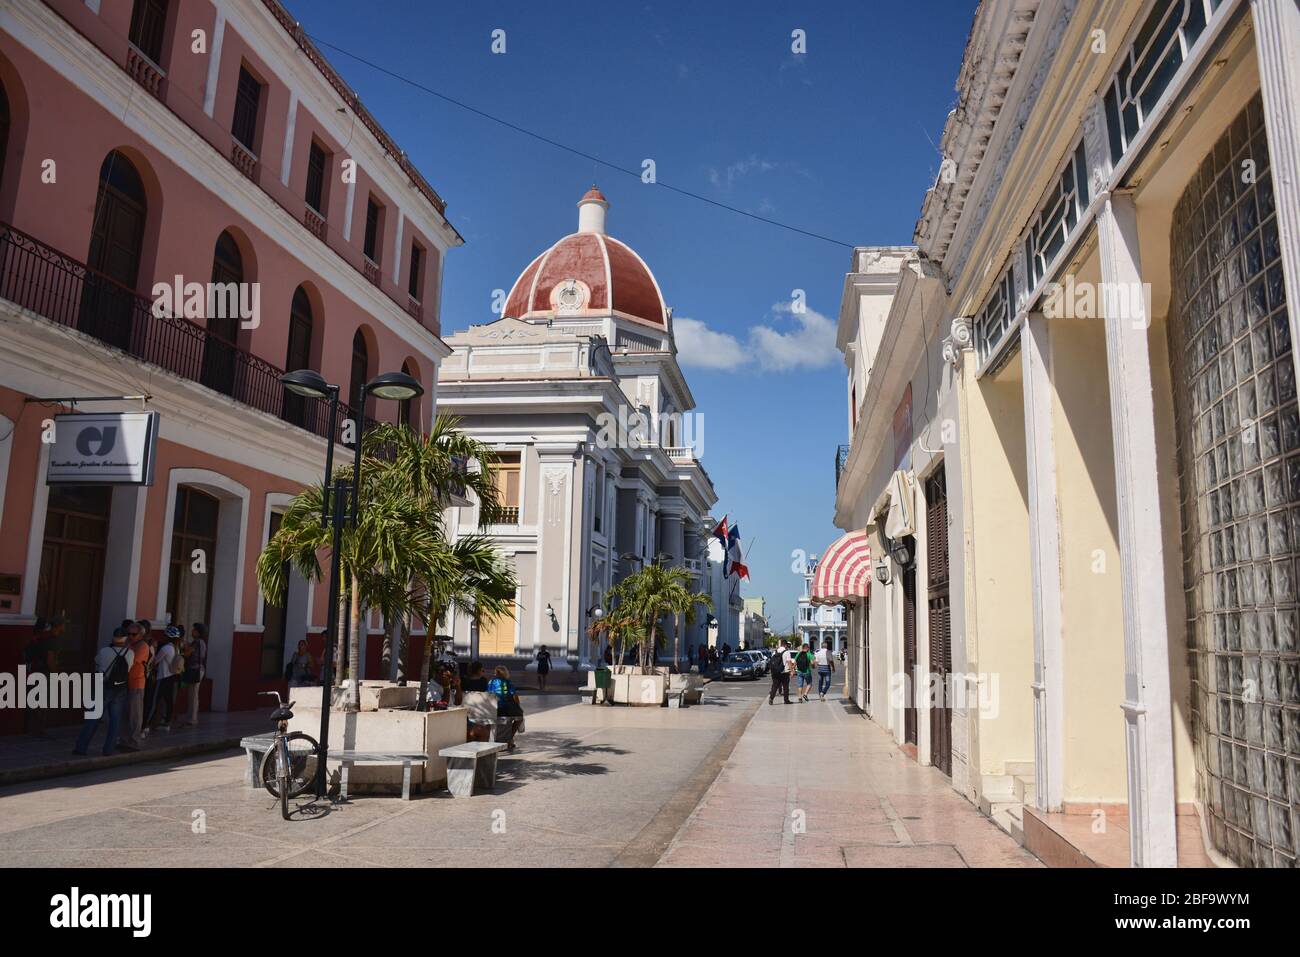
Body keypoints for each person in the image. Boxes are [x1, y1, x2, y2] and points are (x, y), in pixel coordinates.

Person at [73, 628, 133, 756]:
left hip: (103, 686)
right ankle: (108, 749)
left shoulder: (104, 651)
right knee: (115, 720)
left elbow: (97, 663)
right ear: (125, 639)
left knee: (93, 718)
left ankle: (81, 748)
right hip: (120, 688)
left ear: (113, 638)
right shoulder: (130, 653)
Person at [118, 621, 151, 750]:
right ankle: (124, 740)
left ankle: (134, 741)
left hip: (136, 683)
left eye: (133, 634)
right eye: (128, 633)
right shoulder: (129, 644)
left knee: (135, 714)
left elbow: (130, 660)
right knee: (125, 713)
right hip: (125, 682)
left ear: (141, 635)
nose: (130, 636)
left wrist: (125, 648)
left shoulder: (142, 646)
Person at [22, 618, 57, 737]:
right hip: (42, 673)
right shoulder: (45, 642)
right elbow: (49, 660)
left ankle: (28, 728)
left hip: (31, 672)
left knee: (31, 700)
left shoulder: (32, 640)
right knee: (42, 703)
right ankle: (39, 730)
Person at [148, 626, 183, 731]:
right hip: (171, 678)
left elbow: (155, 662)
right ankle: (167, 723)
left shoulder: (165, 648)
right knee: (169, 701)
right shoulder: (176, 648)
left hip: (162, 677)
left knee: (154, 701)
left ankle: (147, 725)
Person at [487, 665, 525, 750]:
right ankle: (510, 738)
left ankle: (507, 739)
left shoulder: (490, 682)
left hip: (493, 708)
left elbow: (488, 694)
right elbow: (514, 696)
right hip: (505, 709)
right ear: (505, 673)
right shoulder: (508, 682)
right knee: (520, 717)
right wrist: (518, 706)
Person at [177, 623, 207, 727]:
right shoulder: (200, 642)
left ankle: (192, 719)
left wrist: (183, 648)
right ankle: (191, 718)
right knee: (193, 695)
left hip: (196, 670)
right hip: (198, 669)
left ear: (198, 632)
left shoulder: (197, 642)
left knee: (193, 695)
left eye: (194, 630)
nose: (192, 631)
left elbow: (187, 653)